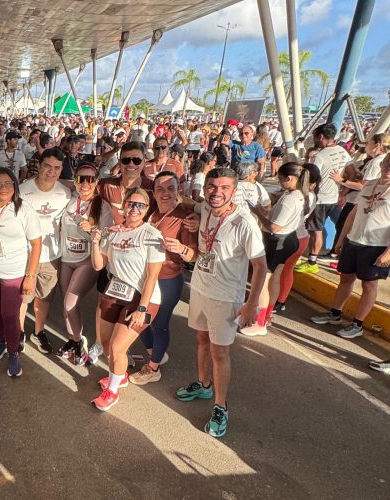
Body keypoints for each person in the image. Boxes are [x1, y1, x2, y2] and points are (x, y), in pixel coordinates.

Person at [176, 167, 266, 438]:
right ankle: (204, 384)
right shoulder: (205, 208)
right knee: (202, 339)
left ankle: (220, 406)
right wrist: (193, 216)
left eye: (224, 188)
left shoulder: (243, 222)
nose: (217, 192)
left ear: (234, 191)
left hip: (226, 297)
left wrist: (252, 305)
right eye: (212, 187)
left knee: (220, 352)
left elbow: (260, 266)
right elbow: (195, 207)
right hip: (201, 288)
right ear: (205, 190)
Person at [89, 188, 164, 411]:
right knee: (105, 345)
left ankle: (112, 392)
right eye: (131, 203)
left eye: (140, 205)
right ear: (124, 205)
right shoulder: (112, 232)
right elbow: (97, 265)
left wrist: (142, 309)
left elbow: (153, 276)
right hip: (115, 291)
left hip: (143, 297)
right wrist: (95, 242)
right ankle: (119, 376)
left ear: (147, 209)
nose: (134, 209)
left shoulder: (152, 235)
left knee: (118, 346)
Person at [311, 154, 390, 340]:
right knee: (346, 278)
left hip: (376, 244)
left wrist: (388, 253)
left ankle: (357, 324)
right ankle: (335, 313)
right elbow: (353, 213)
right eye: (386, 163)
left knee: (369, 285)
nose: (388, 168)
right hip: (354, 240)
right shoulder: (369, 184)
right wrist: (341, 239)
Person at [130, 171, 198, 385]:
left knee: (158, 324)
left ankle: (153, 368)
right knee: (138, 322)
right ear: (154, 192)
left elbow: (194, 254)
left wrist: (182, 249)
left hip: (167, 280)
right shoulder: (150, 212)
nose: (165, 193)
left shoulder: (185, 216)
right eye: (160, 188)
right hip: (143, 278)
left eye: (171, 188)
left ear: (179, 190)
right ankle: (157, 353)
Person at [0, 167, 42, 377]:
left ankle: (13, 351)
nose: (3, 188)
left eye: (7, 183)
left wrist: (30, 276)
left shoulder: (23, 209)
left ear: (15, 185)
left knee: (9, 314)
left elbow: (36, 244)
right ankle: (3, 340)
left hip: (14, 271)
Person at [240, 162, 308, 336]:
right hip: (289, 239)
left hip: (276, 240)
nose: (279, 182)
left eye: (280, 179)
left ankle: (259, 322)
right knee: (274, 279)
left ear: (289, 178)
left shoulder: (289, 199)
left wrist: (257, 211)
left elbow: (274, 227)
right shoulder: (299, 195)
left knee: (262, 281)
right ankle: (267, 315)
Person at [18, 147, 71, 353]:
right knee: (23, 296)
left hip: (52, 255)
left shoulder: (64, 193)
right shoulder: (23, 191)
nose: (51, 171)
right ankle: (19, 331)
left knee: (44, 297)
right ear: (39, 166)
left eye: (57, 168)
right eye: (47, 166)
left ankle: (38, 332)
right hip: (26, 254)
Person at [56, 163, 101, 363]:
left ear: (96, 182)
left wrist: (93, 231)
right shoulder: (68, 199)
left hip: (86, 261)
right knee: (66, 305)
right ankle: (73, 340)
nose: (85, 183)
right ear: (75, 180)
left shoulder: (101, 205)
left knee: (69, 302)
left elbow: (109, 235)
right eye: (81, 178)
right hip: (66, 259)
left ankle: (79, 341)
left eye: (90, 179)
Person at [296, 124, 350, 272]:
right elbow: (350, 172)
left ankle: (312, 262)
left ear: (321, 137)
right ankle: (311, 259)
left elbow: (311, 177)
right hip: (333, 197)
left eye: (315, 137)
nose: (314, 140)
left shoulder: (320, 156)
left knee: (315, 230)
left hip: (320, 199)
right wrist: (343, 191)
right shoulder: (343, 152)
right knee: (318, 228)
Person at [274, 164, 320, 313]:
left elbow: (277, 224)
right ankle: (281, 300)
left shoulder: (293, 196)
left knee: (277, 272)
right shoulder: (311, 196)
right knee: (287, 270)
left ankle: (275, 302)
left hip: (289, 235)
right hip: (301, 236)